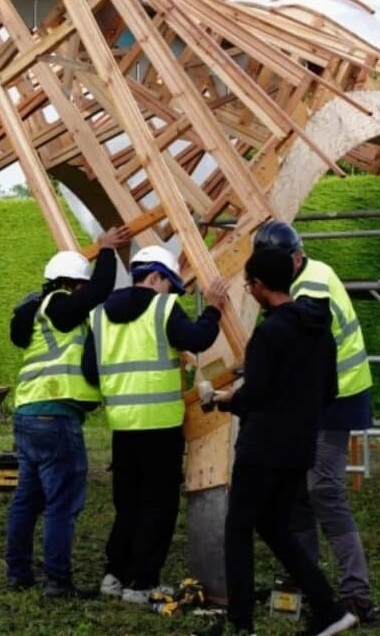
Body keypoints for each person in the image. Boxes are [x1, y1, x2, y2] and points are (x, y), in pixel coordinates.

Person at [204, 246, 357, 636]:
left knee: (238, 528)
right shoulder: (318, 329)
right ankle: (328, 608)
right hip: (299, 445)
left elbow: (255, 397)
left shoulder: (269, 333)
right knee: (274, 527)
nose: (249, 290)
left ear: (258, 285)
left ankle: (240, 623)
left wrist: (225, 400)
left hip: (262, 447)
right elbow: (327, 390)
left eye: (249, 284)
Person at [84, 245, 226, 604]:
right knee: (158, 506)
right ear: (155, 277)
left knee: (128, 505)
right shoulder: (162, 307)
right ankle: (143, 584)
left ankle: (114, 576)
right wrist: (214, 308)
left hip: (123, 427)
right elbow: (197, 338)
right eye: (170, 284)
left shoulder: (100, 316)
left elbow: (89, 370)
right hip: (160, 428)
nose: (171, 293)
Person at [254, 220, 378, 623]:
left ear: (295, 257)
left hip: (337, 397)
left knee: (324, 490)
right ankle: (308, 585)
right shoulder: (300, 278)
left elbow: (299, 338)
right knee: (298, 495)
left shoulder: (313, 284)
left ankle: (356, 595)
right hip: (318, 398)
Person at [5, 226, 132, 599]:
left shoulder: (34, 312)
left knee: (28, 500)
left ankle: (18, 572)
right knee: (62, 503)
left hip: (28, 415)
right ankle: (58, 581)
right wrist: (107, 250)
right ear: (72, 284)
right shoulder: (59, 305)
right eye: (82, 286)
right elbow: (99, 291)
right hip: (54, 416)